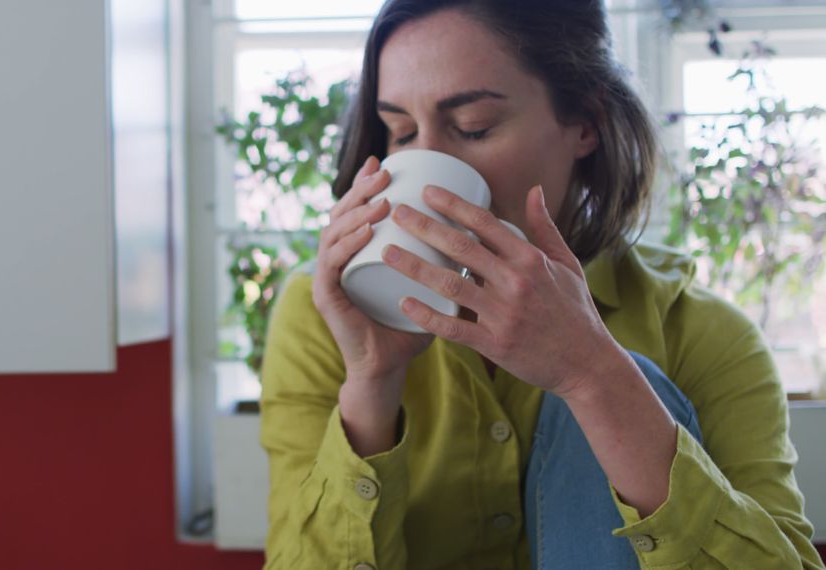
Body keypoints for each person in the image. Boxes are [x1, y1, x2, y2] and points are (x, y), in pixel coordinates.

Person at [258, 0, 823, 568]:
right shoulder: (324, 317)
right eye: (401, 132)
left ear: (584, 123)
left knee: (631, 379)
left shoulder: (704, 334)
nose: (427, 166)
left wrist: (593, 376)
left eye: (473, 127)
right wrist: (371, 384)